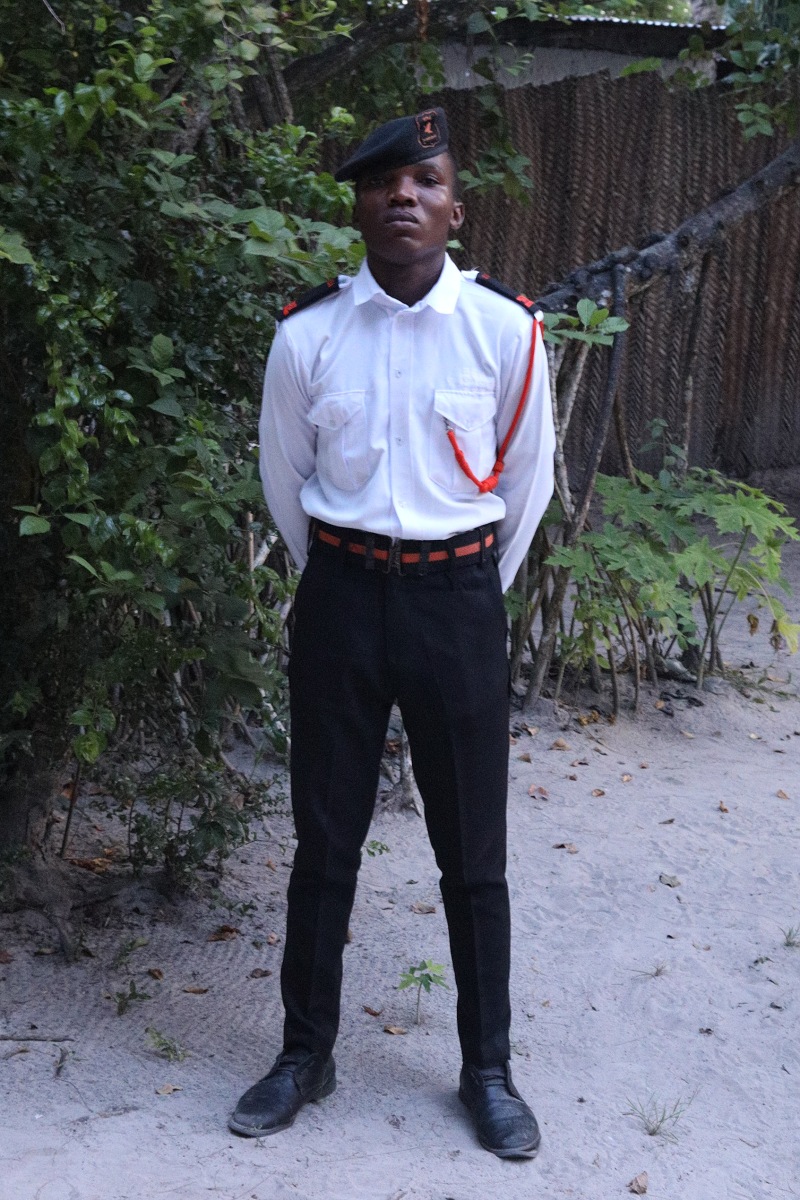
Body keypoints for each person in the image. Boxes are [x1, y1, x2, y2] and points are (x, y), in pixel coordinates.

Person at [229, 107, 556, 1159]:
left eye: (425, 181)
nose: (402, 197)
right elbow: (285, 480)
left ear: (456, 208)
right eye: (382, 183)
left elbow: (525, 484)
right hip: (341, 599)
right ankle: (304, 1055)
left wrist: (461, 588)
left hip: (456, 603)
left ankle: (488, 1071)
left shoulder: (504, 331)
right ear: (359, 206)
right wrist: (348, 576)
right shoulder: (308, 335)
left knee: (474, 855)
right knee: (323, 844)